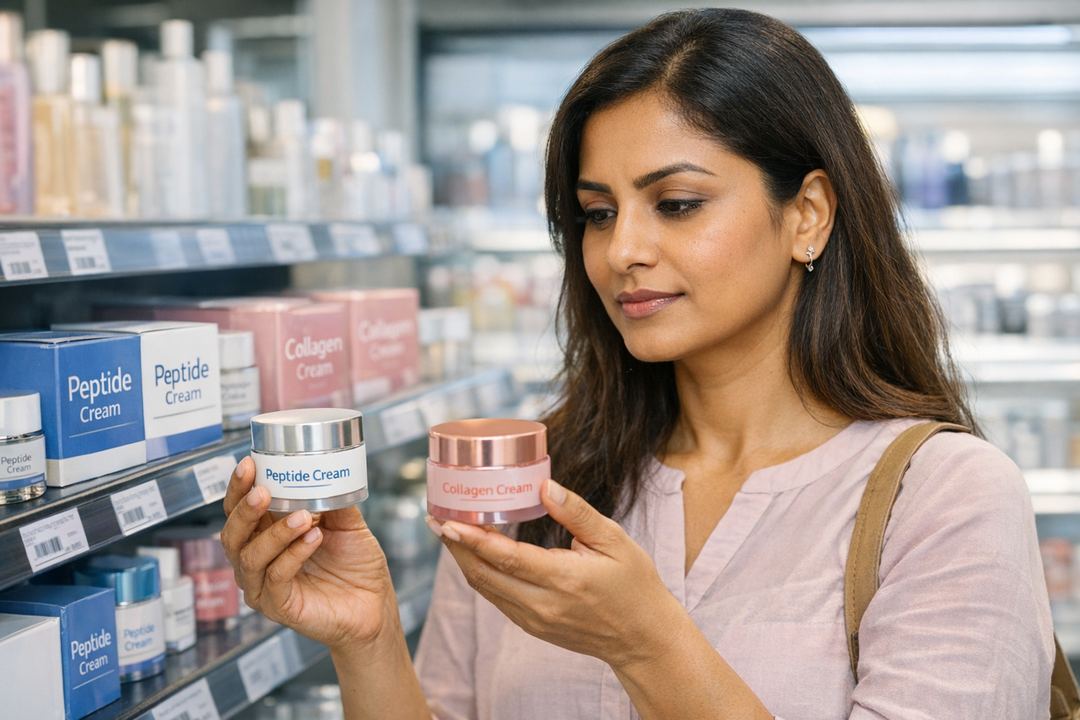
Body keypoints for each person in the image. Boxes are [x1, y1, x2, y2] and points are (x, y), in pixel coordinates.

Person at [219, 8, 1054, 719]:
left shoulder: (946, 496)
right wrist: (366, 639)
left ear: (807, 214)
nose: (622, 251)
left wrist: (648, 646)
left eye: (678, 204)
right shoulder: (533, 478)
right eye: (595, 213)